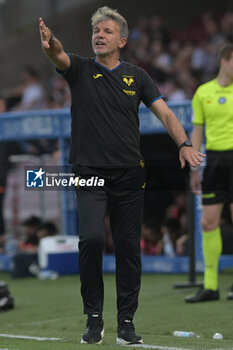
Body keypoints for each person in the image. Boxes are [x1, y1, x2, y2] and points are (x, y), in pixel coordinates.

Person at [39, 7, 204, 344]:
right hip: (88, 173)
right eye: (95, 31)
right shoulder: (81, 69)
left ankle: (126, 322)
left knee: (129, 247)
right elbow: (58, 55)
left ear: (122, 40)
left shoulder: (138, 76)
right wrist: (50, 44)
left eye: (107, 31)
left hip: (129, 175)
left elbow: (165, 113)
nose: (99, 35)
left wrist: (185, 143)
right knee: (93, 240)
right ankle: (94, 318)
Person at [186, 43, 233, 303]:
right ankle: (211, 286)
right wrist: (195, 166)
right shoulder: (203, 92)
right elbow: (197, 130)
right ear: (224, 61)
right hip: (214, 160)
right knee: (208, 222)